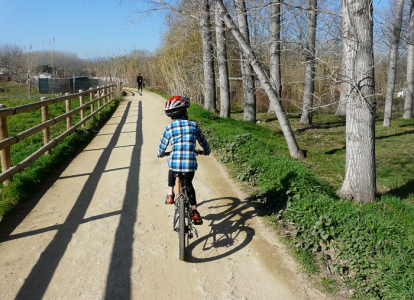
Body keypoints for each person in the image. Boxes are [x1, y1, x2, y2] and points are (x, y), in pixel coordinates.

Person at [157, 96, 210, 224]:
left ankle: (170, 194)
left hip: (175, 163)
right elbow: (203, 142)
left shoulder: (169, 128)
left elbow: (161, 146)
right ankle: (194, 211)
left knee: (172, 167)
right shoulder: (193, 125)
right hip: (190, 163)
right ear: (184, 112)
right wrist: (206, 151)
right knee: (189, 184)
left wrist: (161, 153)